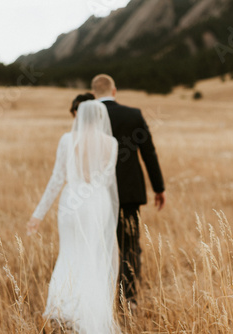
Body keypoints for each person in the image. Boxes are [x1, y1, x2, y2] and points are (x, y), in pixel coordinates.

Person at [26, 100, 121, 334]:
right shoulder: (112, 143)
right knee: (94, 255)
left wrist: (38, 214)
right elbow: (108, 181)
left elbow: (58, 178)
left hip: (72, 202)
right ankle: (89, 314)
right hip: (98, 201)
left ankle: (62, 310)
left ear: (79, 116)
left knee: (69, 252)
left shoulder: (68, 140)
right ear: (101, 118)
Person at [91, 74, 166, 308]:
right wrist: (159, 187)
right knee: (129, 246)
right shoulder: (133, 115)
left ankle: (99, 299)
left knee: (100, 245)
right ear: (114, 91)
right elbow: (149, 153)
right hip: (129, 193)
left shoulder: (88, 118)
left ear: (94, 94)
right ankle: (129, 299)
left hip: (97, 193)